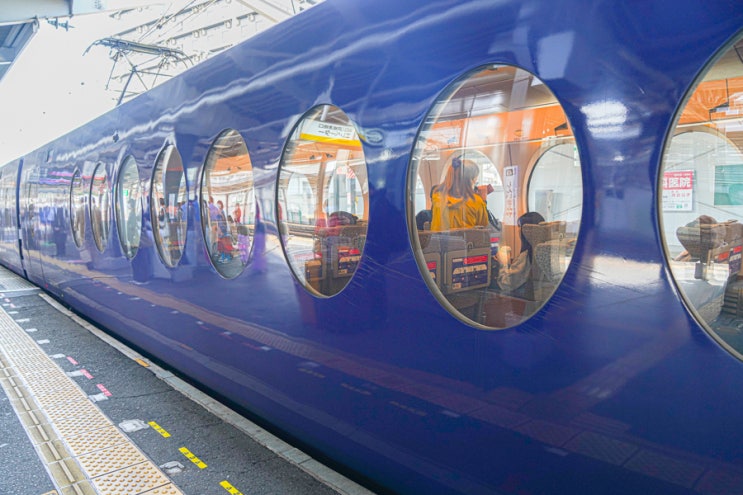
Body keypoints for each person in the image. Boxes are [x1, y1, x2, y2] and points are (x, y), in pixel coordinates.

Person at [430, 157, 488, 231]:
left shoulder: (437, 196)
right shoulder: (476, 201)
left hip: (438, 238)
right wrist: (483, 200)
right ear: (471, 180)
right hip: (465, 239)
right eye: (475, 180)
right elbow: (483, 226)